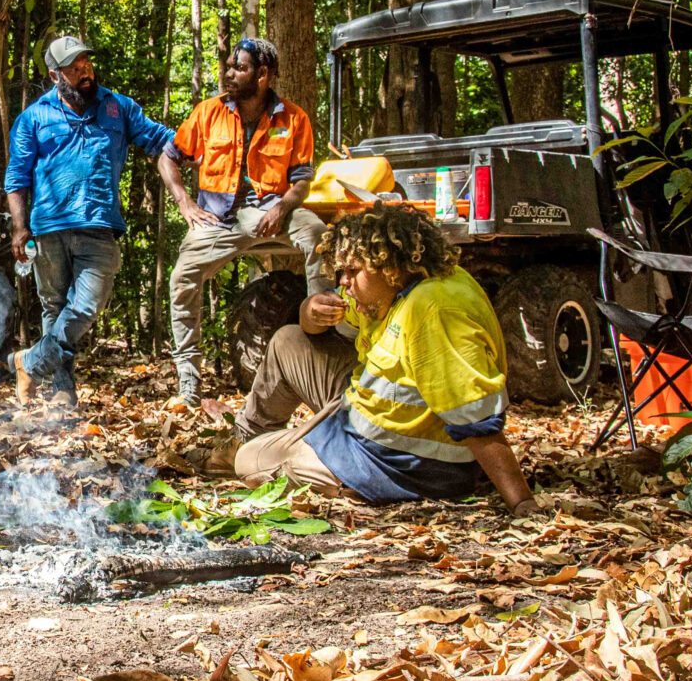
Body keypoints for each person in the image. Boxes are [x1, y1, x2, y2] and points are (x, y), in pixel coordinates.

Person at [226, 205, 538, 515]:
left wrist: (522, 503)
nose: (344, 282)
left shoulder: (434, 309)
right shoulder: (386, 290)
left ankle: (343, 479)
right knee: (288, 339)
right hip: (363, 418)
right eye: (342, 272)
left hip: (397, 463)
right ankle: (249, 438)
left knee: (248, 462)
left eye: (352, 271)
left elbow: (475, 420)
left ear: (392, 265)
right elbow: (318, 324)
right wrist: (310, 310)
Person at [5, 35, 175, 406]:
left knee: (85, 305)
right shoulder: (33, 117)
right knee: (54, 308)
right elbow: (17, 178)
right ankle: (62, 391)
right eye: (74, 67)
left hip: (99, 224)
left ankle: (28, 363)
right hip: (48, 228)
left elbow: (160, 139)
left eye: (87, 64)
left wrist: (205, 143)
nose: (84, 72)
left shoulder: (118, 108)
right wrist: (20, 228)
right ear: (54, 75)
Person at [158, 37, 327, 408]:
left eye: (240, 68)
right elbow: (168, 158)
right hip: (217, 219)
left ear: (263, 75)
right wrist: (185, 203)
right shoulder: (209, 111)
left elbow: (301, 181)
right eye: (229, 66)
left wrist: (281, 209)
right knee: (181, 278)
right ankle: (188, 379)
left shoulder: (293, 117)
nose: (229, 74)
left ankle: (324, 335)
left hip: (269, 212)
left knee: (318, 233)